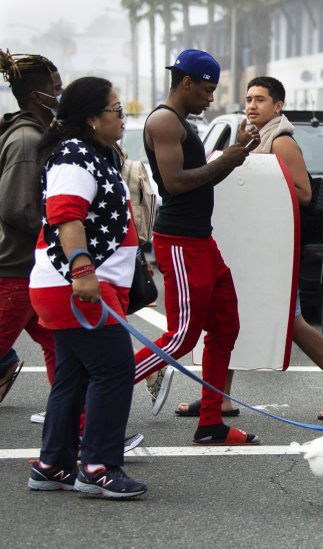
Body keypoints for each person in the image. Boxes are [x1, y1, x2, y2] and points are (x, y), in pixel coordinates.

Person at [130, 49, 261, 445]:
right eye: (206, 89)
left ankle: (210, 423)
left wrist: (232, 156)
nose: (211, 98)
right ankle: (93, 396)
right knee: (183, 336)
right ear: (185, 82)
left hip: (200, 239)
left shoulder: (180, 122)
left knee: (226, 327)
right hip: (181, 242)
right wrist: (229, 160)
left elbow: (197, 181)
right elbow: (175, 184)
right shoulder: (164, 120)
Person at [27, 76, 146, 497]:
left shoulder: (93, 152)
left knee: (74, 377)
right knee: (115, 369)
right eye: (116, 110)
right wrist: (82, 270)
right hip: (74, 284)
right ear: (92, 118)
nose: (123, 118)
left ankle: (53, 463)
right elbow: (65, 214)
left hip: (74, 284)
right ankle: (97, 465)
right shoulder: (74, 156)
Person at [238, 75, 323, 420]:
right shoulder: (254, 136)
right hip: (254, 241)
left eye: (260, 99)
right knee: (232, 316)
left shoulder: (281, 141)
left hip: (274, 243)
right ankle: (217, 395)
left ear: (277, 106)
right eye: (249, 99)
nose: (252, 105)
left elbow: (304, 194)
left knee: (290, 319)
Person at [0, 51, 61, 403]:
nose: (61, 93)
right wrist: (62, 229)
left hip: (34, 269)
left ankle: (77, 428)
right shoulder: (26, 140)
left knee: (64, 348)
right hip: (16, 270)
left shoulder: (38, 132)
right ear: (40, 96)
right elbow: (16, 207)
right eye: (57, 87)